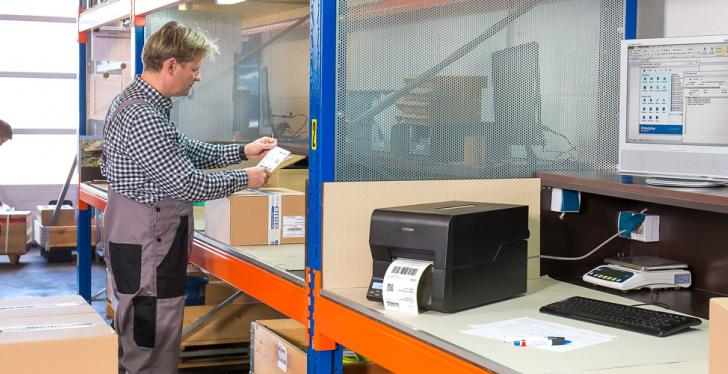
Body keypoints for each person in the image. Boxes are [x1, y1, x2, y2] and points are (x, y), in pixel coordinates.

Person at [101, 21, 275, 373]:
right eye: (194, 69)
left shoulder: (144, 104)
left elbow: (183, 149)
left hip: (144, 237)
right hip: (149, 241)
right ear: (171, 66)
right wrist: (247, 178)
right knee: (151, 334)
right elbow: (187, 184)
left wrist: (242, 151)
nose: (197, 78)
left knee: (145, 328)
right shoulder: (142, 115)